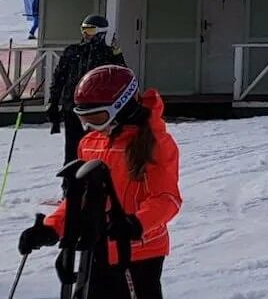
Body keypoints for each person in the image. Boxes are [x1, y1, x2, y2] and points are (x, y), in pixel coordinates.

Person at [19, 66, 181, 299]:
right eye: (84, 119)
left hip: (139, 253)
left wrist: (135, 224)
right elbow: (79, 197)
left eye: (97, 118)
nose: (91, 127)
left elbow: (167, 200)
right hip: (96, 248)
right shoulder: (91, 143)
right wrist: (51, 228)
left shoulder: (156, 144)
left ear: (122, 108)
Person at [48, 16, 124, 193]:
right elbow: (59, 78)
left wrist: (117, 54)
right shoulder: (73, 51)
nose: (85, 34)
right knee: (72, 149)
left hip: (96, 111)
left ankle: (94, 188)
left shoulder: (107, 54)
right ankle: (69, 189)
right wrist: (53, 103)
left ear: (100, 33)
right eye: (83, 30)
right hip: (72, 108)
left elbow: (121, 77)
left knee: (94, 149)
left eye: (89, 30)